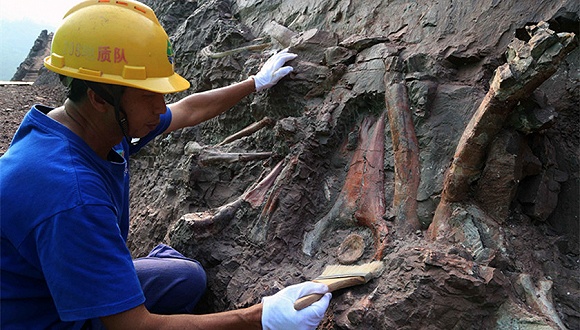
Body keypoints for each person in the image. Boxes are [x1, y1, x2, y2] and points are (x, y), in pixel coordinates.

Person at [0, 0, 331, 329]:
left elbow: (187, 110)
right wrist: (260, 317)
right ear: (100, 98)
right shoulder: (70, 194)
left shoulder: (88, 126)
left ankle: (107, 273)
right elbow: (135, 325)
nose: (161, 108)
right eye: (148, 96)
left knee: (185, 278)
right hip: (40, 318)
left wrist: (255, 82)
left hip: (51, 283)